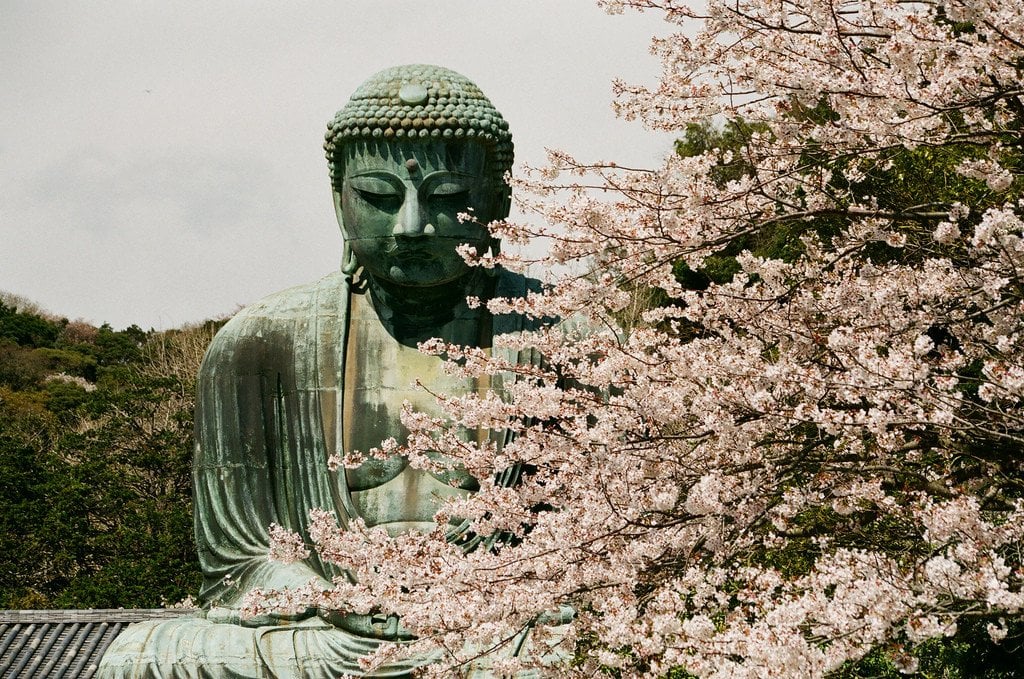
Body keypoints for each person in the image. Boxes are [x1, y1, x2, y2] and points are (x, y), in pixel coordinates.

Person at [97, 64, 555, 679]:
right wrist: (336, 599)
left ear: (496, 199)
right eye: (378, 196)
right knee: (145, 660)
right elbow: (241, 562)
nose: (411, 226)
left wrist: (510, 602)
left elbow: (605, 544)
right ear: (337, 197)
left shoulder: (565, 337)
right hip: (328, 634)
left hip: (500, 633)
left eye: (446, 198)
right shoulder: (258, 344)